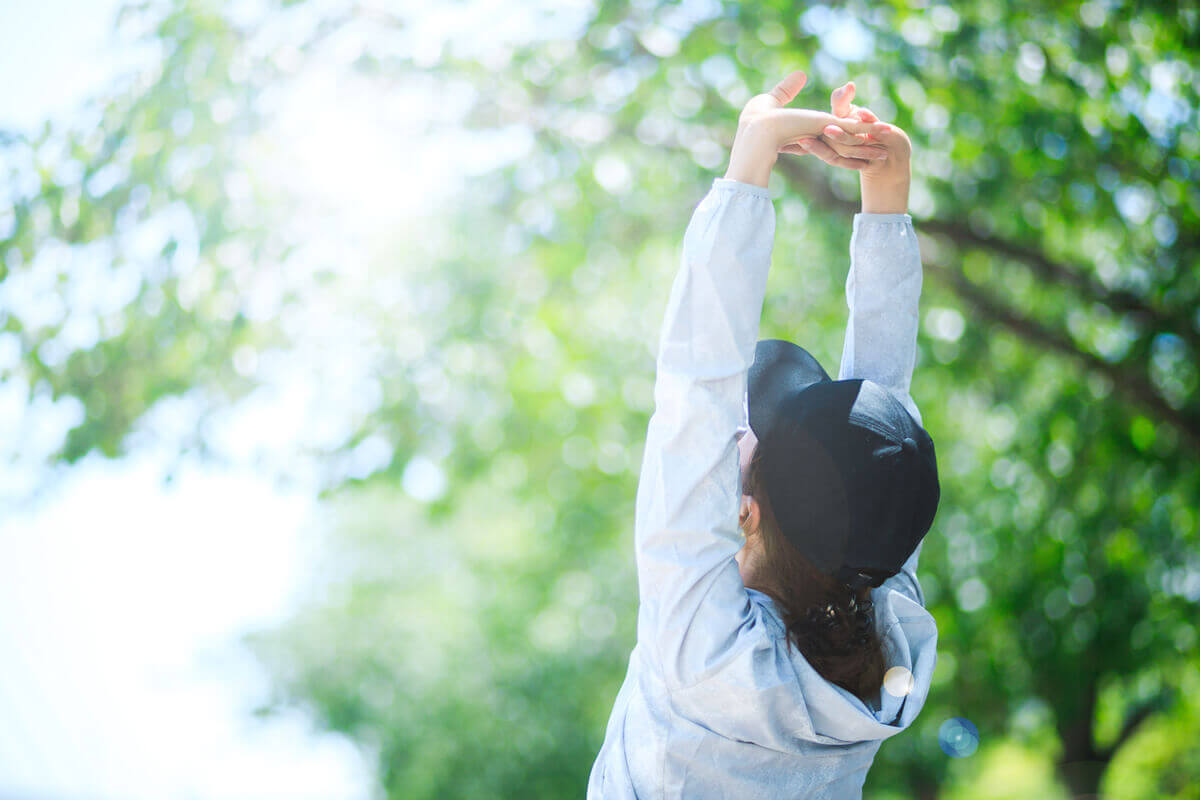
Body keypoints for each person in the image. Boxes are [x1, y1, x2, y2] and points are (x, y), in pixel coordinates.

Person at [586, 70, 942, 799]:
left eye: (743, 438)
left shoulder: (702, 649)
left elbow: (696, 385)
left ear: (744, 508)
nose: (730, 431)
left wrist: (750, 163)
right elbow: (882, 420)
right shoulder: (887, 654)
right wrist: (886, 200)